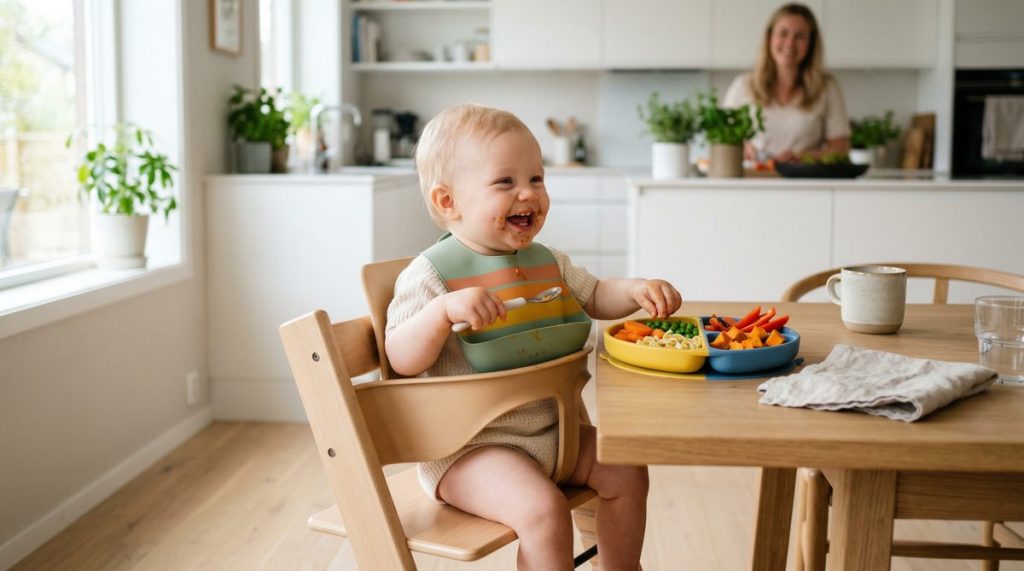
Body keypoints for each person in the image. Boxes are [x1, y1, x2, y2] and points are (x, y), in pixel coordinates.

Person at [386, 103, 682, 570]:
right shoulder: (430, 277)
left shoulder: (549, 261)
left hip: (553, 434)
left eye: (537, 179)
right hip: (469, 451)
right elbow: (399, 356)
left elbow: (597, 295)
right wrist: (441, 313)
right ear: (449, 202)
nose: (528, 193)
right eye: (505, 182)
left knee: (628, 469)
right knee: (543, 511)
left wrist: (637, 289)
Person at [723, 2, 851, 163]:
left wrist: (804, 157)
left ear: (811, 44)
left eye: (800, 36)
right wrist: (742, 148)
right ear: (770, 37)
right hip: (754, 180)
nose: (790, 43)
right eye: (783, 33)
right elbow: (720, 141)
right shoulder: (743, 86)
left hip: (804, 181)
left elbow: (841, 149)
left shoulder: (827, 87)